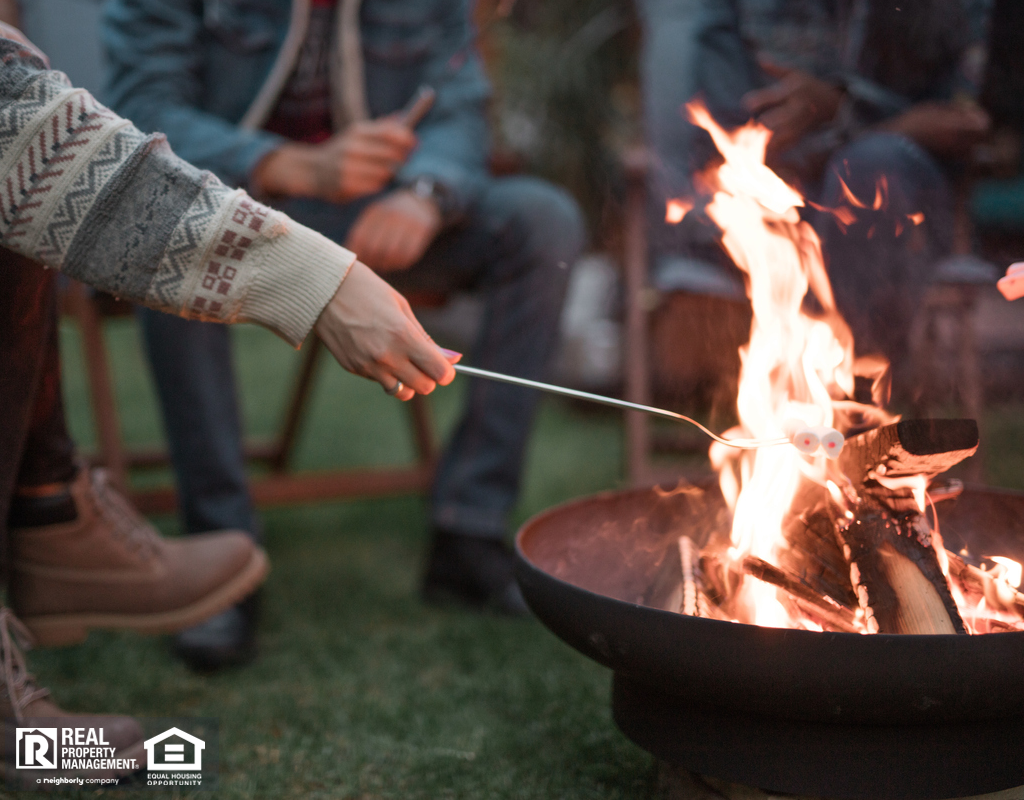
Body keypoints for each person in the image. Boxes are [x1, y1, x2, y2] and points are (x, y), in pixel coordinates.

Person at [0, 24, 454, 758]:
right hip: (256, 185)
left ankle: (46, 511)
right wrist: (312, 274)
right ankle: (51, 522)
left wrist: (428, 192)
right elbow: (31, 119)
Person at [100, 0, 585, 666]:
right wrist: (290, 164)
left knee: (541, 221)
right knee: (167, 237)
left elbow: (458, 109)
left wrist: (425, 191)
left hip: (373, 209)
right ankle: (222, 548)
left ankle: (467, 533)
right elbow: (137, 115)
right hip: (226, 203)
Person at [637, 0, 992, 391]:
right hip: (774, 212)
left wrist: (839, 109)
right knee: (804, 189)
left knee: (870, 170)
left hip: (901, 215)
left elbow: (963, 121)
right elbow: (729, 131)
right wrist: (886, 123)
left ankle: (848, 402)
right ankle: (819, 419)